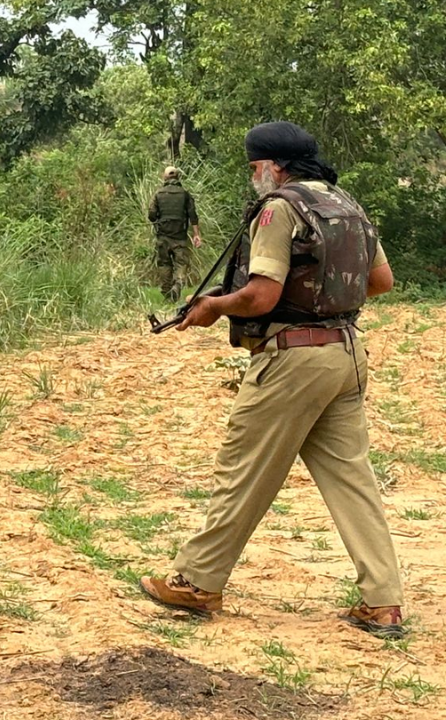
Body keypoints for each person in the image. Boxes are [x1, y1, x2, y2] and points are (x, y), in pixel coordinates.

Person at [139, 121, 405, 639]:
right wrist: (325, 304)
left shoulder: (279, 208)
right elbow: (381, 282)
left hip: (293, 359)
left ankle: (197, 582)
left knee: (243, 467)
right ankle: (384, 601)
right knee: (353, 481)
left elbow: (260, 296)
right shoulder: (346, 205)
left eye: (254, 166)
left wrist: (214, 306)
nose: (254, 176)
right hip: (347, 353)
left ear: (272, 165)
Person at [148, 166, 203, 301]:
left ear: (165, 177)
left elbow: (151, 215)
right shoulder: (185, 194)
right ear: (178, 178)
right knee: (181, 264)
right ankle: (178, 284)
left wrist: (159, 220)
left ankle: (167, 292)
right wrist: (196, 235)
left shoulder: (158, 194)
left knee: (164, 264)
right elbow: (193, 216)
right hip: (180, 238)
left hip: (163, 237)